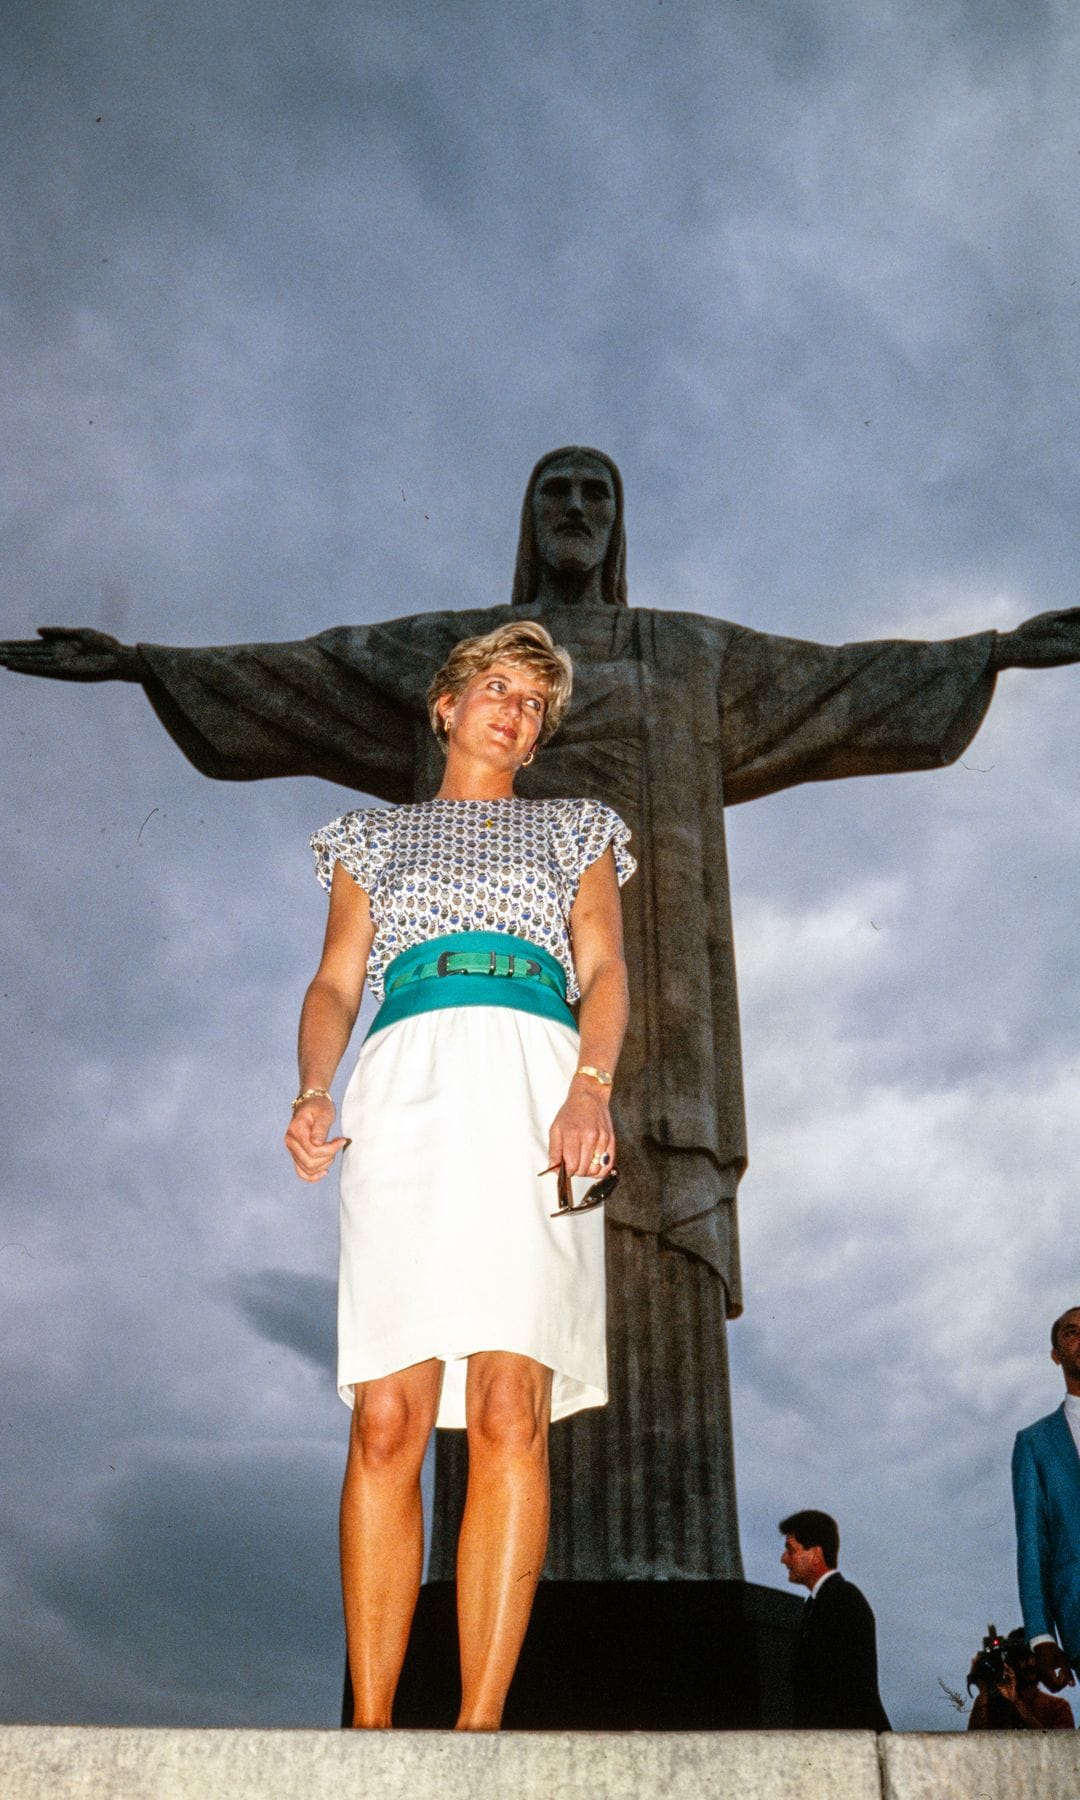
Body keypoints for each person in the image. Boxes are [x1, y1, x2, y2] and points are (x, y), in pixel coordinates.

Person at [5, 448, 1080, 1588]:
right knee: (472, 1328)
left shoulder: (688, 654)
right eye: (555, 491)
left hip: (649, 1018)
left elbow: (838, 683)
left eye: (597, 492)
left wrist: (993, 651)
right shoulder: (452, 652)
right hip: (468, 1056)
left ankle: (668, 1582)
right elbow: (311, 675)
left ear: (620, 523)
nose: (575, 510)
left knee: (631, 1261)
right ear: (526, 520)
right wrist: (142, 666)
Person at [284, 618, 634, 1729]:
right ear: (445, 706)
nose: (515, 711)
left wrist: (592, 1086)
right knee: (386, 1415)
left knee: (507, 1410)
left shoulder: (579, 827)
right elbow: (338, 982)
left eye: (535, 704)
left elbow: (608, 967)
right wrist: (311, 1088)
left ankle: (478, 1737)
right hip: (408, 1083)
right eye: (496, 687)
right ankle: (374, 1735)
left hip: (538, 1082)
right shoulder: (368, 838)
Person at [1012, 1304, 1080, 1696]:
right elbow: (1033, 1544)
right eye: (1071, 1332)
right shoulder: (1035, 1443)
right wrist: (1041, 1637)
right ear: (1056, 1356)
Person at [779, 1509, 891, 1730]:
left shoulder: (842, 1601)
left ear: (815, 1554)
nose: (784, 1559)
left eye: (790, 1550)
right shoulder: (821, 1603)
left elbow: (844, 1691)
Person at [966, 1627, 1074, 1730]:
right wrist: (984, 1690)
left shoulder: (1058, 1708)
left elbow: (1057, 1746)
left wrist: (1016, 1703)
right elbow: (973, 1741)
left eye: (1036, 1657)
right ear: (1012, 1659)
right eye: (1023, 1656)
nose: (1030, 1663)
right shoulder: (993, 1706)